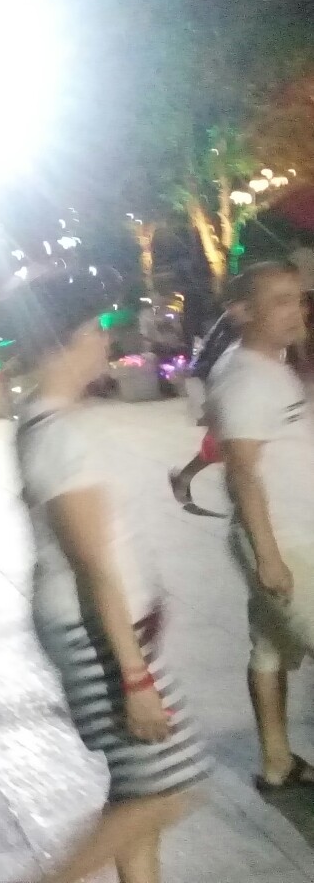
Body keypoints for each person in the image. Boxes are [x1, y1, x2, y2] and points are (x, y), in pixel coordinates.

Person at [13, 270, 209, 883]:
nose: (105, 341)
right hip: (97, 634)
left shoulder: (45, 420)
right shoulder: (58, 433)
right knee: (168, 789)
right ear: (65, 341)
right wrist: (136, 677)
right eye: (95, 330)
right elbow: (93, 565)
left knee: (139, 791)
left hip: (99, 627)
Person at [208, 261, 314, 790]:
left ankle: (276, 761)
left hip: (290, 533)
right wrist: (268, 556)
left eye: (298, 298)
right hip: (285, 541)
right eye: (279, 301)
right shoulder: (246, 378)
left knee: (270, 648)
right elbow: (242, 471)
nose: (296, 312)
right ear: (241, 312)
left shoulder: (266, 364)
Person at [169, 276, 244, 505]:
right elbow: (212, 359)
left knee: (226, 447)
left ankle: (184, 478)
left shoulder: (234, 322)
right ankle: (240, 506)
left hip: (221, 388)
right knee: (227, 447)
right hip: (212, 386)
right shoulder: (231, 324)